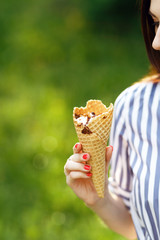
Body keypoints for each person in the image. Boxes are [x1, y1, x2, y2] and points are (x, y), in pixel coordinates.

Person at [64, 0, 160, 239]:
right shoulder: (135, 107)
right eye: (156, 22)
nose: (156, 42)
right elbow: (136, 227)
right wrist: (99, 198)